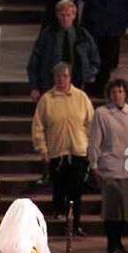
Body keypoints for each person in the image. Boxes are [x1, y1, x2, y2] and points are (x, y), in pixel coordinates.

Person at [31, 60, 94, 234]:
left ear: (70, 77)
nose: (61, 80)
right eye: (58, 76)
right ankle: (60, 221)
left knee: (77, 192)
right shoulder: (46, 100)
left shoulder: (81, 97)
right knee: (59, 189)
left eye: (64, 76)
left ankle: (76, 224)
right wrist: (42, 149)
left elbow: (91, 123)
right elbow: (38, 127)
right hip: (56, 153)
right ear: (54, 78)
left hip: (78, 152)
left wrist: (90, 146)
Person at [88, 78, 128, 253]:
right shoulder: (102, 113)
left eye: (121, 91)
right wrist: (94, 163)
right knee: (111, 209)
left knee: (125, 209)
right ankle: (110, 244)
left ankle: (119, 240)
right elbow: (95, 140)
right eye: (114, 92)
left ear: (126, 93)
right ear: (109, 94)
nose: (118, 95)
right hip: (109, 164)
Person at [27, 0, 99, 99]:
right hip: (50, 85)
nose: (65, 18)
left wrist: (86, 74)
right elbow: (34, 62)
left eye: (68, 15)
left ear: (74, 16)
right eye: (62, 15)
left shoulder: (82, 35)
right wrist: (34, 87)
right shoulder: (47, 35)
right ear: (57, 15)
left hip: (77, 85)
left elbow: (95, 59)